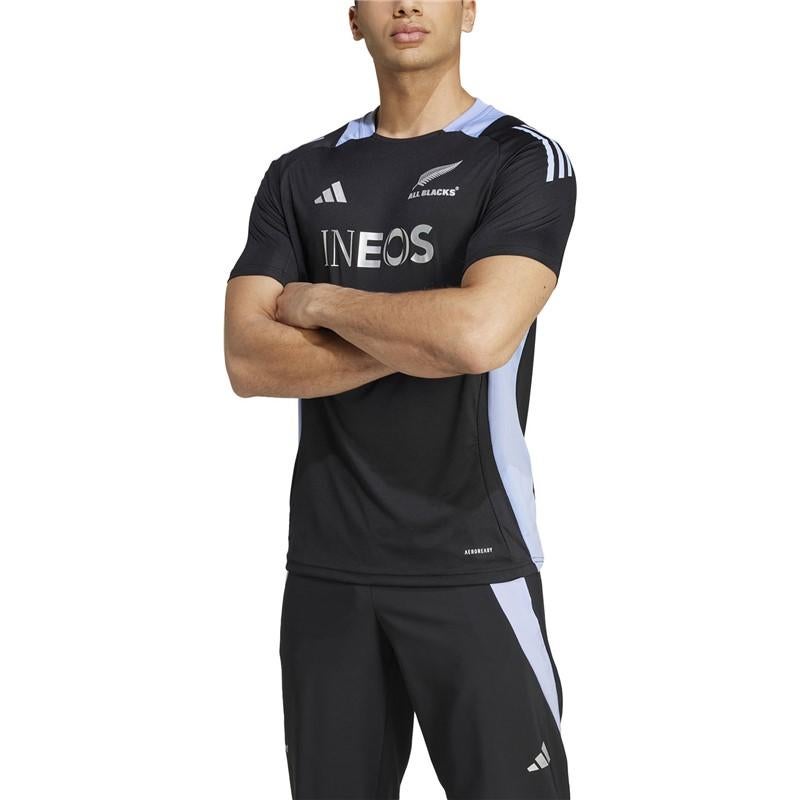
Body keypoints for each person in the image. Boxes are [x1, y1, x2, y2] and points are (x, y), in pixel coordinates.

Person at [224, 1, 576, 797]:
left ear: (469, 9)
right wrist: (422, 335)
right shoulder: (297, 175)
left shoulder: (521, 159)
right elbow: (247, 358)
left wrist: (321, 301)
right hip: (328, 572)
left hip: (474, 562)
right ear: (353, 18)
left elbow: (478, 337)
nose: (407, 4)